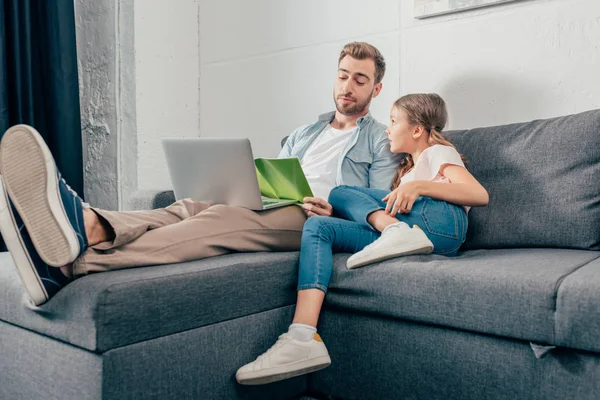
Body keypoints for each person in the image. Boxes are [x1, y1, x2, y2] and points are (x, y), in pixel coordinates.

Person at [0, 42, 402, 306]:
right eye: (343, 75)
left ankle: (75, 265)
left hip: (318, 222)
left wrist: (331, 210)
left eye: (360, 79)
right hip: (282, 204)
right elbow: (280, 177)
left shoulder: (381, 140)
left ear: (376, 89)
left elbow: (374, 205)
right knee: (189, 205)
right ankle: (89, 225)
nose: (348, 86)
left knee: (221, 219)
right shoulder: (304, 132)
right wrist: (249, 185)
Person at [235, 93, 489, 385]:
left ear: (418, 130)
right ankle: (302, 336)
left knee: (341, 191)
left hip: (444, 224)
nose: (387, 129)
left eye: (394, 122)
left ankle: (394, 231)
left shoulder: (437, 153)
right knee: (319, 226)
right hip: (420, 233)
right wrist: (339, 213)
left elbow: (479, 195)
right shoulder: (407, 173)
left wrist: (420, 186)